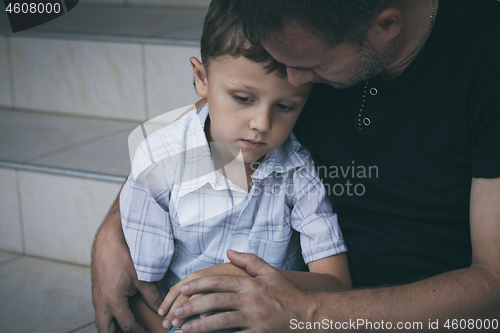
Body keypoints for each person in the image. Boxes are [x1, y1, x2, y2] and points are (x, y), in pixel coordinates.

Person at [92, 0, 500, 332]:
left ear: (385, 26)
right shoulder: (296, 40)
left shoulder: (485, 57)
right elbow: (210, 113)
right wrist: (115, 230)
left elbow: (493, 288)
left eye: (311, 67)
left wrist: (306, 313)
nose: (292, 78)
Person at [109, 1, 351, 332]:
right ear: (202, 79)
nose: (262, 123)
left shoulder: (299, 172)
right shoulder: (159, 159)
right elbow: (141, 291)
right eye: (242, 98)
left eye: (285, 105)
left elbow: (337, 285)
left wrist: (259, 279)